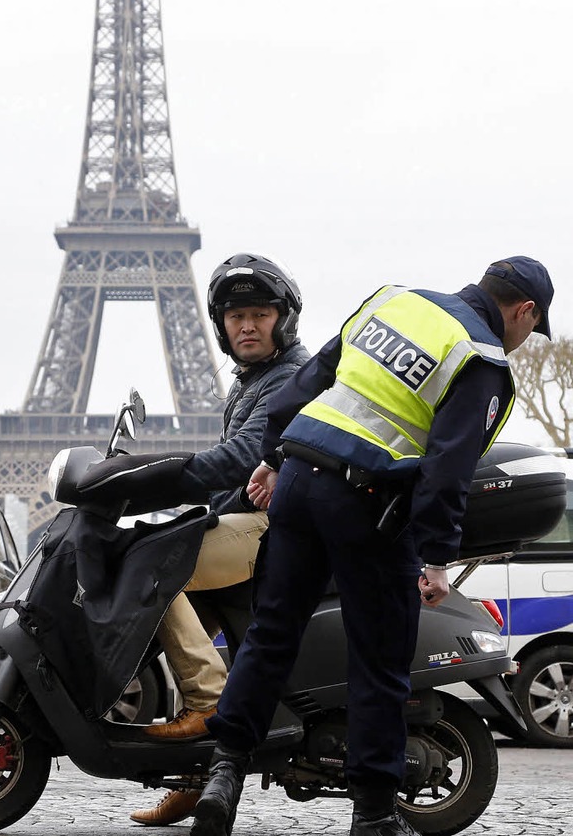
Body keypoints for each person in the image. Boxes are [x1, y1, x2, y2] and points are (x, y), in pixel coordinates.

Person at [189, 256, 555, 836]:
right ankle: (376, 813)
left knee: (271, 633)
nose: (522, 341)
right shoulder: (481, 359)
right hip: (367, 503)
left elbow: (309, 384)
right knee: (380, 661)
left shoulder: (394, 301)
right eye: (530, 331)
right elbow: (448, 467)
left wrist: (271, 459)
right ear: (524, 311)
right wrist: (437, 557)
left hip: (299, 484)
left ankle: (223, 772)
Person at [130, 252, 310, 827]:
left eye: (260, 314)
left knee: (157, 567)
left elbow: (241, 459)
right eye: (236, 317)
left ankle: (210, 704)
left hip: (277, 529)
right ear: (222, 327)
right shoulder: (255, 380)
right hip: (256, 521)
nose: (248, 326)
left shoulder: (286, 378)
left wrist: (156, 479)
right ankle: (194, 772)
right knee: (181, 590)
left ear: (283, 320)